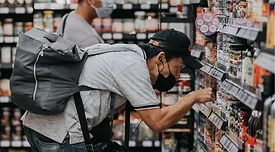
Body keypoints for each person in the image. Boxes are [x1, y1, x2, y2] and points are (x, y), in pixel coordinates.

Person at [21, 29, 213, 151]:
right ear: (161, 58)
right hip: (61, 135)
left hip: (42, 127)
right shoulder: (133, 67)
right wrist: (193, 97)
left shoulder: (126, 53)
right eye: (178, 67)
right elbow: (157, 122)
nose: (178, 76)